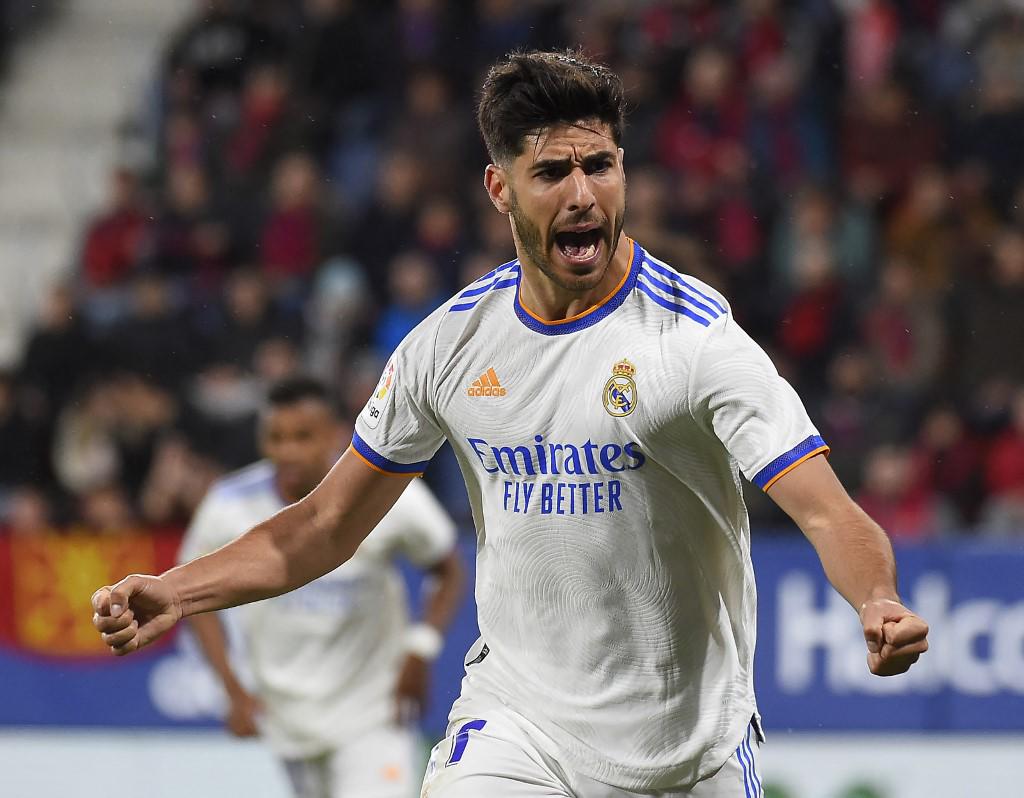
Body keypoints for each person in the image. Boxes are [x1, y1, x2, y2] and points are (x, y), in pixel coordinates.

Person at [92, 51, 930, 798]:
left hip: (687, 756)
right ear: (500, 188)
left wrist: (879, 598)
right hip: (519, 730)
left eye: (600, 166)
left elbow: (826, 510)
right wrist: (176, 590)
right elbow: (320, 525)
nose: (582, 195)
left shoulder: (696, 341)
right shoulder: (448, 346)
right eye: (552, 172)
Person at [177, 376, 465, 798]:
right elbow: (192, 597)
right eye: (276, 437)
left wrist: (420, 648)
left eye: (303, 436)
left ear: (334, 435)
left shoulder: (383, 492)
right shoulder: (229, 504)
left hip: (372, 716)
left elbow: (448, 568)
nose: (288, 451)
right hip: (287, 721)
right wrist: (233, 689)